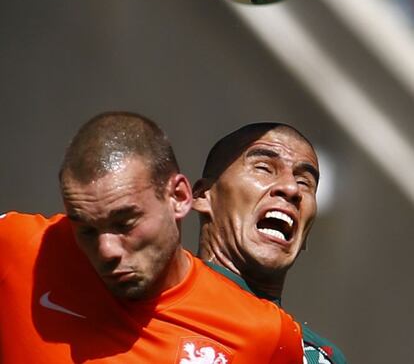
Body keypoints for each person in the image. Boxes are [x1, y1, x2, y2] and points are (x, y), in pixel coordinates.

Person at [0, 111, 304, 363]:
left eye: (124, 223)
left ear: (180, 197)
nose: (107, 250)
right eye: (87, 229)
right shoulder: (17, 246)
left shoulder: (262, 335)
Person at [193, 122, 347, 363]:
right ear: (203, 196)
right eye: (264, 168)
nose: (291, 189)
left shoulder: (315, 359)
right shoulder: (141, 309)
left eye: (305, 182)